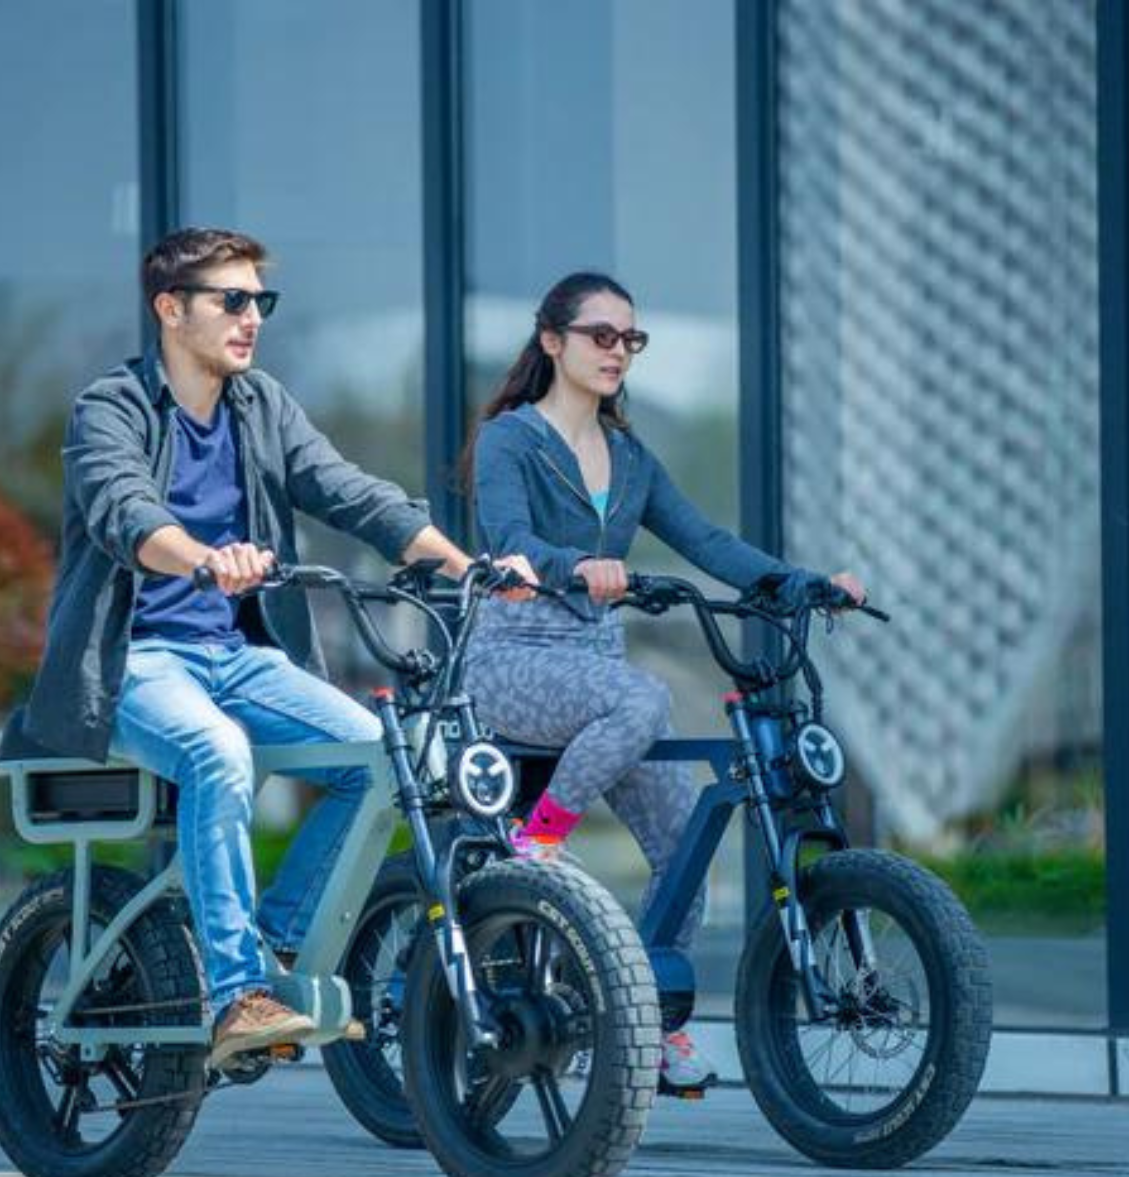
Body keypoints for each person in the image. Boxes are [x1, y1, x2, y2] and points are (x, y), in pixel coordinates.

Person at [17, 228, 532, 1069]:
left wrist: (465, 565)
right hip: (136, 661)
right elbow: (125, 511)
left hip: (242, 657)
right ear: (171, 309)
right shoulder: (110, 407)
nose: (251, 317)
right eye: (232, 300)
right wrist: (203, 558)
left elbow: (349, 491)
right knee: (215, 751)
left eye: (261, 301)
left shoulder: (260, 405)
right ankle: (236, 997)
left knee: (383, 759)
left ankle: (274, 947)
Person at [463, 271, 866, 1093]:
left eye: (631, 339)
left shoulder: (630, 457)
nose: (618, 351)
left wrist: (803, 584)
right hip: (512, 656)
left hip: (593, 666)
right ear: (553, 342)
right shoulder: (512, 439)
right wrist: (574, 566)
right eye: (601, 335)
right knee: (645, 696)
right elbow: (508, 539)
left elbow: (706, 541)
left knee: (686, 845)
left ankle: (652, 1026)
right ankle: (538, 846)